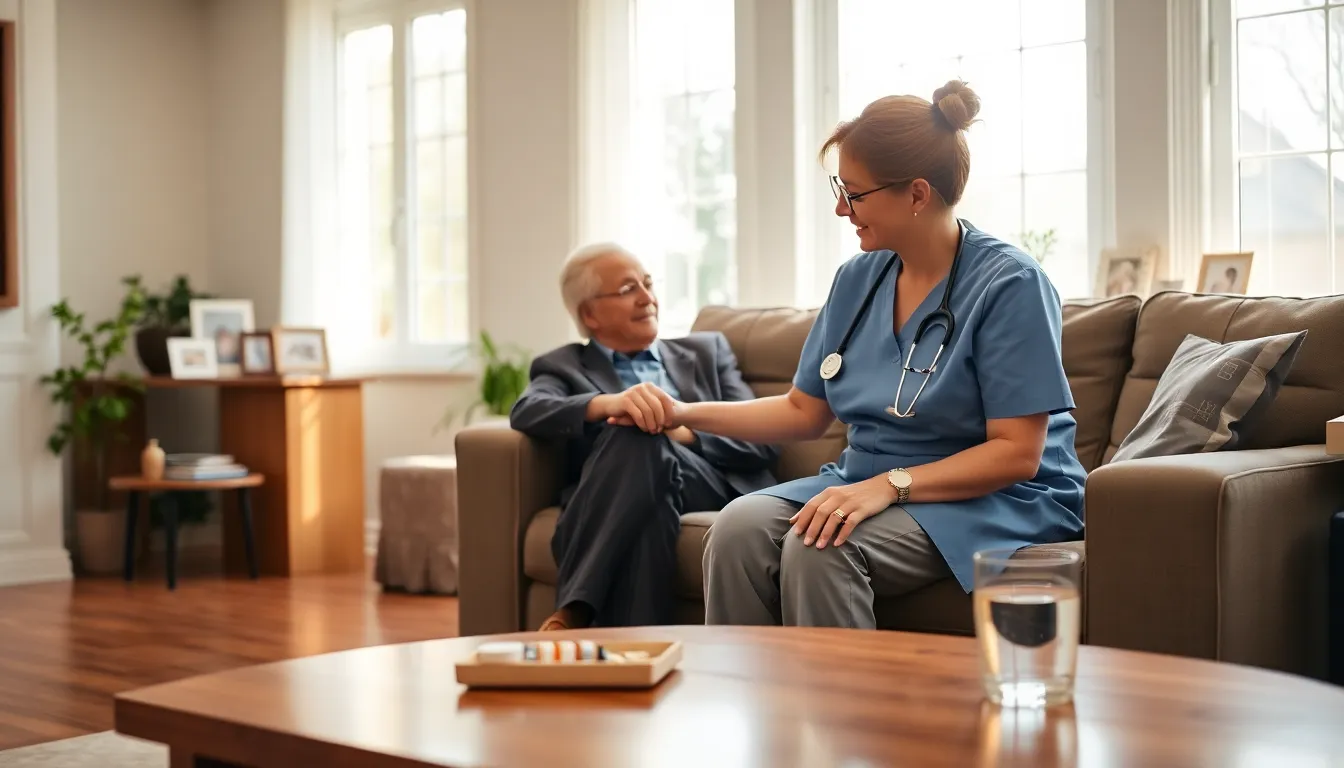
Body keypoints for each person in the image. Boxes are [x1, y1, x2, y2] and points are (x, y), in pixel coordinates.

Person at [614, 80, 1086, 628]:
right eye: (841, 187)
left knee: (823, 545)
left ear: (916, 194)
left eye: (854, 193)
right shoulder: (858, 278)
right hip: (868, 480)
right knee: (737, 529)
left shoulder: (1011, 284)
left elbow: (1015, 453)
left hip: (1002, 496)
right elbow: (803, 411)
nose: (840, 208)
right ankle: (750, 705)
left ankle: (841, 715)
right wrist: (681, 412)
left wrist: (886, 487)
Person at [509, 242, 780, 630]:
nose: (647, 298)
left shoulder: (706, 352)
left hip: (711, 482)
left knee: (640, 436)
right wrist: (610, 404)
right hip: (634, 490)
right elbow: (527, 410)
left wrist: (683, 431)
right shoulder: (564, 365)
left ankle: (576, 607)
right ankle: (640, 653)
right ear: (590, 313)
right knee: (643, 471)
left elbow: (762, 438)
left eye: (647, 284)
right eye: (627, 289)